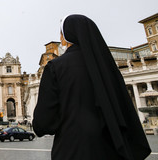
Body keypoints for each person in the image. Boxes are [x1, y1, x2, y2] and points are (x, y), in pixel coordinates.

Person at [32, 15, 151, 160]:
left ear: (66, 37)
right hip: (112, 149)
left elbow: (44, 122)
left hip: (73, 148)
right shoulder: (109, 68)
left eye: (61, 34)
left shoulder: (55, 67)